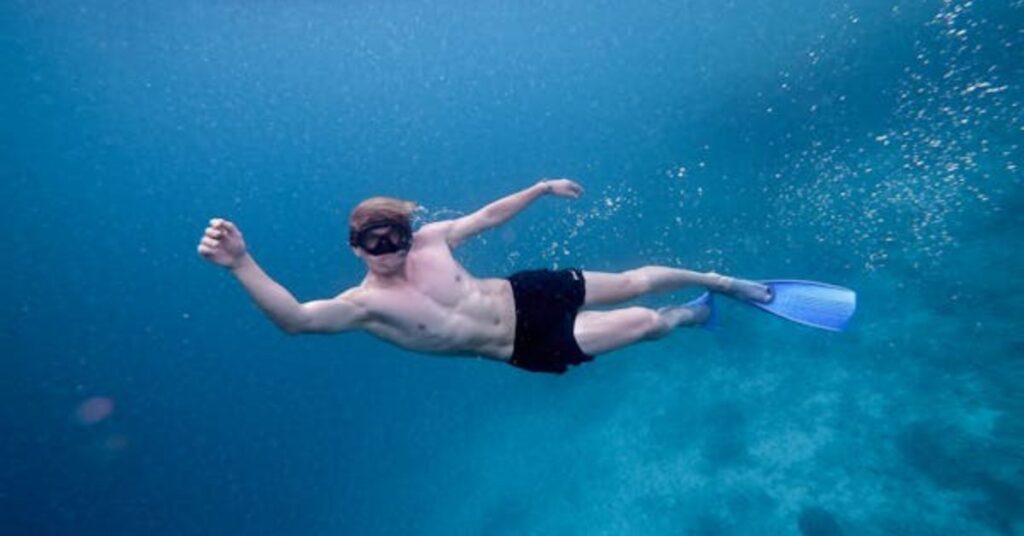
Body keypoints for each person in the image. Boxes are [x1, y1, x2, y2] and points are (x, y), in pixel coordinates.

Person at [197, 179, 774, 374]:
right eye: (372, 244)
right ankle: (693, 314)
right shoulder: (363, 305)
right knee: (649, 320)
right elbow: (295, 320)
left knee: (637, 280)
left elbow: (488, 216)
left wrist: (541, 188)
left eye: (393, 237)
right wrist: (242, 264)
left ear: (405, 231)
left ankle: (723, 282)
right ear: (354, 247)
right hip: (522, 344)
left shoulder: (430, 239)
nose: (386, 252)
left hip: (528, 291)